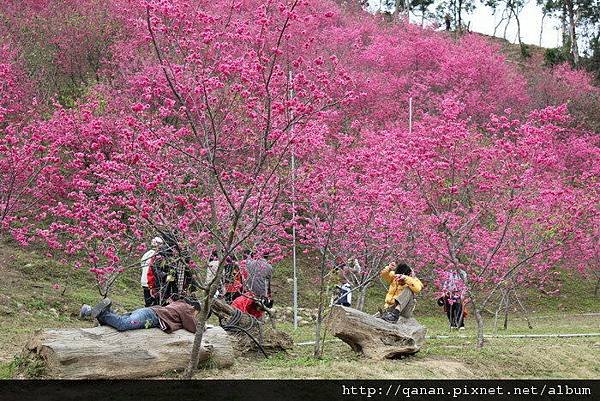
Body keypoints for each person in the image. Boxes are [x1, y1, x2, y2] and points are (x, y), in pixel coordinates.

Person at [79, 296, 200, 333]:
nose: (195, 316)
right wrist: (203, 327)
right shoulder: (186, 308)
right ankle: (102, 312)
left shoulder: (178, 305)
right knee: (123, 325)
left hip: (148, 313)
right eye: (197, 314)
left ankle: (90, 310)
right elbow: (193, 327)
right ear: (194, 308)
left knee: (121, 320)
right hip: (150, 316)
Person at [231, 251, 273, 319]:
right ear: (267, 256)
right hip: (261, 293)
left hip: (248, 292)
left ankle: (245, 318)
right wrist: (268, 295)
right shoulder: (269, 267)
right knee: (257, 310)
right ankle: (257, 321)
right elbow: (268, 283)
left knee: (248, 307)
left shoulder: (250, 263)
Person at [140, 237, 163, 307]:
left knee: (147, 301)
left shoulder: (146, 254)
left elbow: (142, 265)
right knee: (154, 303)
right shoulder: (157, 255)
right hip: (151, 281)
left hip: (144, 281)